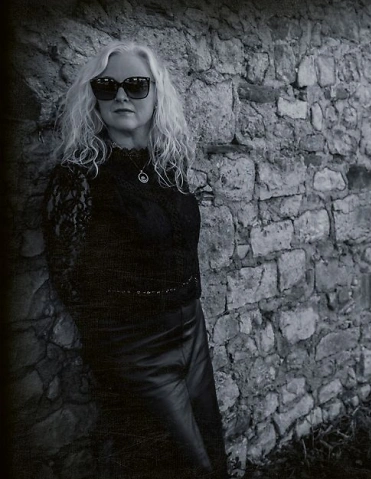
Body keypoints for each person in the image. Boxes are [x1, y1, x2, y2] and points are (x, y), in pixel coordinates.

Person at [42, 41, 228, 477]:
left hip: (191, 331)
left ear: (156, 93)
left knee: (212, 451)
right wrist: (118, 340)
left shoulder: (168, 166)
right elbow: (66, 274)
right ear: (94, 98)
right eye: (107, 86)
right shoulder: (79, 175)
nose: (121, 96)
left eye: (136, 85)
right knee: (180, 466)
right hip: (133, 346)